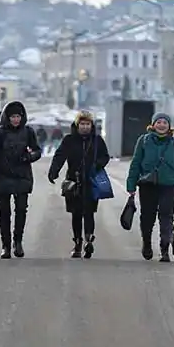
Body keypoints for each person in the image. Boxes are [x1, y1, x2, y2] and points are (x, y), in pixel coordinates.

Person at [125, 112, 174, 262]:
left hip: (169, 185)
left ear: (169, 126)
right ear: (153, 125)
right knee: (147, 217)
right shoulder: (143, 141)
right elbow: (135, 164)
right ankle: (146, 243)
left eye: (165, 123)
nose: (161, 125)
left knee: (166, 217)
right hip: (147, 185)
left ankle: (164, 248)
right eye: (158, 122)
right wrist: (131, 185)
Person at [47, 110, 110, 259]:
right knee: (76, 214)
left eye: (87, 124)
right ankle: (77, 243)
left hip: (91, 181)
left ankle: (89, 239)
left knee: (89, 212)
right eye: (82, 124)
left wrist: (97, 165)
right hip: (73, 182)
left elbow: (105, 157)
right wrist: (53, 171)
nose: (85, 127)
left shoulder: (97, 141)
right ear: (77, 124)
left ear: (91, 125)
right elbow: (60, 155)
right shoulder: (69, 140)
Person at [0, 100, 42, 259]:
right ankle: (6, 245)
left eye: (18, 116)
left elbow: (37, 151)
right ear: (7, 117)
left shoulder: (28, 132)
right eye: (13, 117)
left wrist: (29, 157)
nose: (16, 120)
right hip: (3, 177)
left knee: (21, 211)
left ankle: (18, 241)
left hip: (22, 177)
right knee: (4, 213)